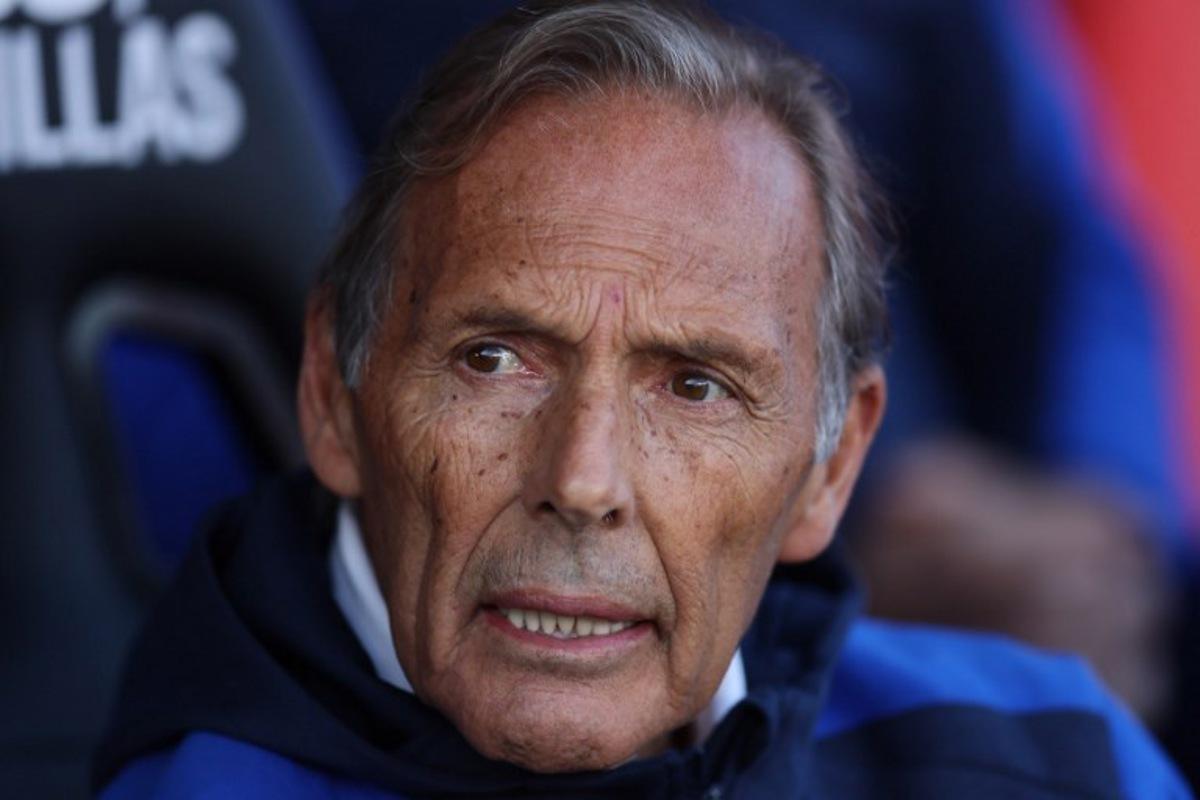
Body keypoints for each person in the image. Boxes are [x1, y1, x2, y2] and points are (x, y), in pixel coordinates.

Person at [93, 2, 1188, 797]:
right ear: (332, 393)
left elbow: (1056, 243)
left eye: (695, 384)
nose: (582, 479)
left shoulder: (1055, 748)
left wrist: (1101, 517)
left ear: (834, 463)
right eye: (494, 360)